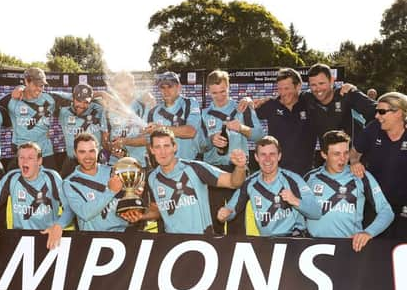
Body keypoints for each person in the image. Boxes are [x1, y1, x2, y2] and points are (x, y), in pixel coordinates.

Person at [122, 128, 247, 234]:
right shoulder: (152, 178)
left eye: (166, 146)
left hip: (201, 239)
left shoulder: (195, 168)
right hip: (172, 242)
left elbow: (233, 182)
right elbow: (157, 209)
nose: (163, 152)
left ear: (174, 147)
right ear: (152, 150)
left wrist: (240, 167)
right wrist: (141, 215)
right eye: (157, 147)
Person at [305, 130, 393, 252]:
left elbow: (386, 211)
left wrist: (368, 233)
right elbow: (296, 211)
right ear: (324, 154)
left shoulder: (361, 176)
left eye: (346, 153)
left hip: (349, 248)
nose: (343, 159)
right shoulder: (310, 178)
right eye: (336, 154)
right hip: (312, 247)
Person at [200, 69, 264, 235]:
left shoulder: (242, 108)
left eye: (223, 91)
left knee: (236, 218)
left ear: (229, 87)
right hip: (213, 170)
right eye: (214, 93)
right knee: (215, 220)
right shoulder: (204, 114)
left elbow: (259, 136)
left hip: (238, 169)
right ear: (208, 91)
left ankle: (237, 258)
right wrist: (210, 140)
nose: (219, 96)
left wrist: (241, 128)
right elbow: (200, 146)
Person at [217, 136, 320, 236]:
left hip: (293, 240)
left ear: (279, 156)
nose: (267, 159)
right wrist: (225, 214)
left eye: (272, 154)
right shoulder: (250, 183)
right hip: (267, 244)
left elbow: (316, 212)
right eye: (263, 154)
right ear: (256, 157)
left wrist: (295, 201)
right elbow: (231, 208)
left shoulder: (293, 180)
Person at [0, 142, 73, 250]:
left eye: (30, 158)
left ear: (39, 161)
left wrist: (58, 226)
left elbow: (69, 207)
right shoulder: (12, 177)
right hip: (20, 239)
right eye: (21, 157)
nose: (25, 161)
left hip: (48, 237)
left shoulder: (51, 177)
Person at [351, 92, 407, 239]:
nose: (377, 116)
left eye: (382, 112)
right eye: (377, 111)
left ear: (399, 113)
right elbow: (354, 153)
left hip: (403, 206)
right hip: (375, 204)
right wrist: (355, 163)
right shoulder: (374, 128)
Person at [0, 67, 70, 171]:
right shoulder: (11, 99)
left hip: (46, 154)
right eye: (36, 85)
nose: (39, 89)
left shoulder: (50, 98)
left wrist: (100, 94)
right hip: (23, 155)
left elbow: (76, 97)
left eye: (42, 85)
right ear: (27, 81)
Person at [304, 63, 376, 161]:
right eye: (313, 85)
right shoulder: (307, 98)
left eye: (321, 83)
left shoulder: (347, 94)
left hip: (352, 161)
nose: (318, 89)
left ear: (332, 81)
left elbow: (377, 112)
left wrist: (361, 145)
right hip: (327, 161)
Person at [252, 68, 316, 176]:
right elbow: (246, 112)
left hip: (306, 173)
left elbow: (328, 95)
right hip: (277, 174)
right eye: (280, 89)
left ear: (298, 86)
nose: (283, 93)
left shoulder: (309, 102)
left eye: (287, 88)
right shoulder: (271, 105)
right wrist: (248, 101)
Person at [63, 133, 129, 232]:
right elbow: (85, 214)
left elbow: (128, 204)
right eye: (82, 152)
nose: (87, 157)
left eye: (92, 151)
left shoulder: (113, 172)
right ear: (75, 153)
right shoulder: (70, 183)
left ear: (98, 151)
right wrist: (110, 192)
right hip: (94, 239)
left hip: (122, 235)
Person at [144, 72, 201, 161]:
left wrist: (160, 129)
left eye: (170, 86)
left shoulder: (189, 104)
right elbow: (149, 144)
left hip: (188, 164)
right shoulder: (153, 112)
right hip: (164, 167)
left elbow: (191, 132)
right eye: (162, 87)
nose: (166, 91)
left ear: (179, 87)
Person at [101, 71, 153, 168]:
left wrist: (125, 141)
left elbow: (150, 139)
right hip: (115, 164)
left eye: (125, 89)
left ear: (133, 87)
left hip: (140, 164)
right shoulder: (108, 110)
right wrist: (112, 148)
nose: (121, 93)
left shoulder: (145, 107)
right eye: (118, 90)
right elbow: (104, 141)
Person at [58, 83, 103, 178]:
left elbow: (118, 102)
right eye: (79, 100)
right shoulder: (64, 111)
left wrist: (102, 94)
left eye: (86, 102)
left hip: (93, 161)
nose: (82, 105)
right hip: (71, 160)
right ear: (73, 98)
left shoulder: (98, 109)